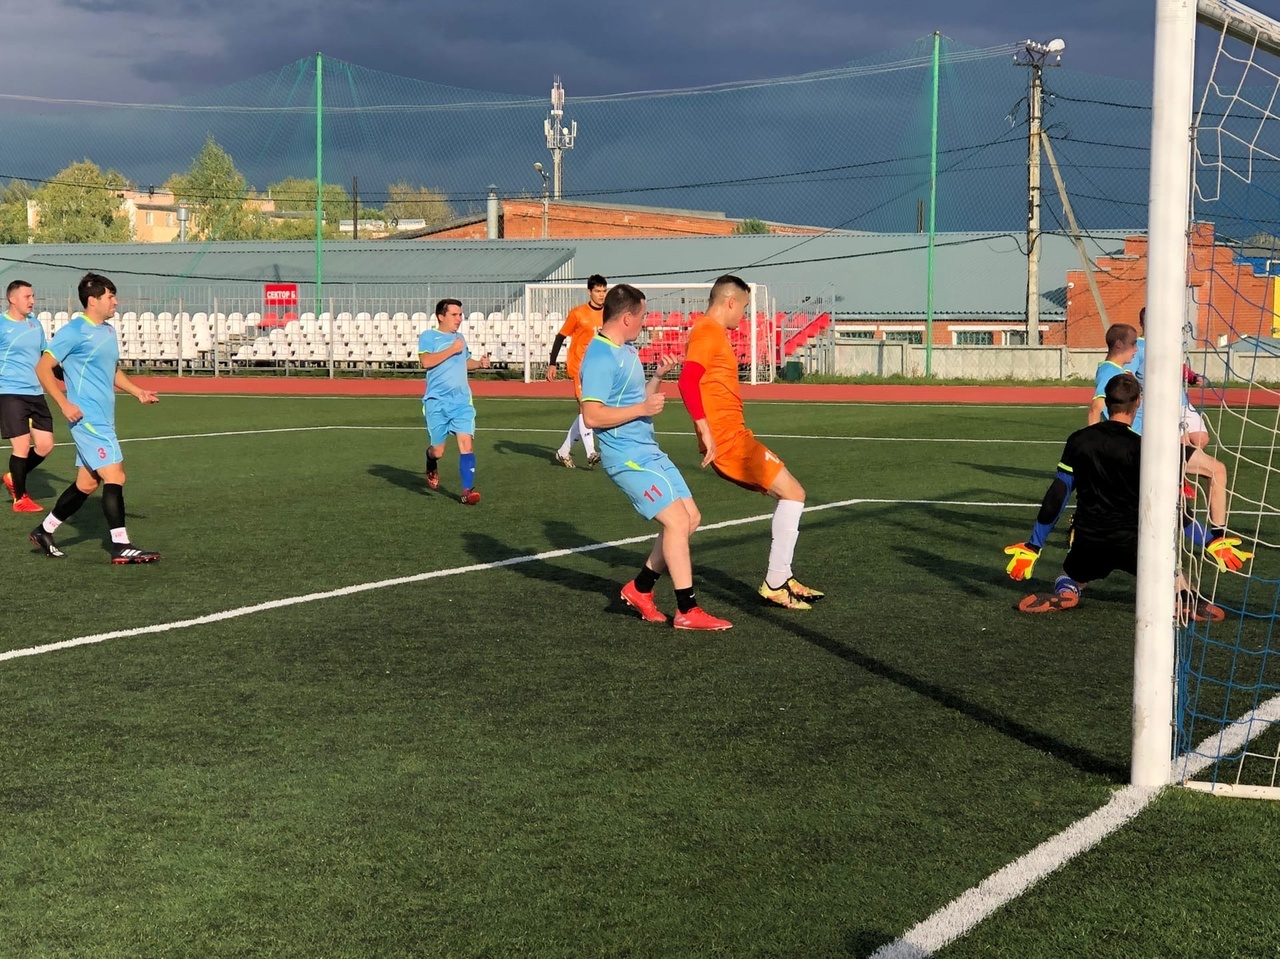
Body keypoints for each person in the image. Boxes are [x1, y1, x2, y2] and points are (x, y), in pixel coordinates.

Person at [1003, 373, 1246, 618]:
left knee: (1070, 575)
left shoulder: (1078, 440)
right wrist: (1211, 540)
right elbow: (1171, 505)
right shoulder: (1146, 447)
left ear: (1106, 403)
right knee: (1175, 575)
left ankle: (1068, 591)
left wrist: (1033, 545)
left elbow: (1058, 494)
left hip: (1090, 541)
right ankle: (1181, 596)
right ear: (1138, 402)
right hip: (1136, 544)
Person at [579, 282, 731, 631]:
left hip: (646, 449)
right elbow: (592, 416)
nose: (645, 322)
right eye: (642, 316)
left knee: (690, 518)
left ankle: (640, 588)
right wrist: (642, 408)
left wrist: (658, 378)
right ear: (627, 318)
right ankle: (687, 609)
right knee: (676, 522)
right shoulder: (600, 356)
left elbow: (636, 399)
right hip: (625, 456)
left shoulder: (627, 350)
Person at [677, 274, 823, 610]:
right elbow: (687, 382)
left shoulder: (712, 332)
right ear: (730, 302)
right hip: (729, 443)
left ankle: (782, 576)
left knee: (791, 494)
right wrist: (705, 430)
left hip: (735, 437)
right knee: (794, 493)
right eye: (743, 308)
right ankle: (775, 582)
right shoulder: (707, 331)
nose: (743, 315)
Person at [29, 272, 160, 563]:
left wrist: (137, 392)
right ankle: (121, 545)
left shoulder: (108, 331)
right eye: (110, 297)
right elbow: (42, 368)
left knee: (87, 484)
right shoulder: (74, 331)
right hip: (86, 418)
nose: (116, 302)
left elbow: (111, 370)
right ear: (92, 300)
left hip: (104, 416)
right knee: (116, 476)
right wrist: (64, 403)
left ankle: (44, 530)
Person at [1090, 323, 1244, 571]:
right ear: (1120, 345)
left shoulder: (1119, 371)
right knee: (1171, 508)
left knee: (1210, 475)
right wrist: (1096, 445)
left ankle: (1216, 538)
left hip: (1156, 443)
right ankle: (1212, 543)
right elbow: (1095, 409)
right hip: (1143, 449)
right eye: (1133, 344)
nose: (1136, 349)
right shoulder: (1109, 372)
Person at [419, 298, 489, 505]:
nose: (459, 318)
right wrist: (452, 349)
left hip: (461, 402)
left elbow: (465, 361)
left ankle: (467, 491)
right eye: (454, 315)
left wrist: (479, 364)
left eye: (460, 315)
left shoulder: (460, 339)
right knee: (438, 451)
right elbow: (425, 362)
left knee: (466, 445)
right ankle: (430, 461)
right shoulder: (429, 336)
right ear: (441, 316)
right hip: (436, 402)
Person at [0, 280, 54, 513]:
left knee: (45, 445)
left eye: (33, 296)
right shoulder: (1, 324)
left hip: (35, 392)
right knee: (21, 447)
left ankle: (14, 477)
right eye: (27, 296)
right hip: (9, 392)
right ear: (12, 299)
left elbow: (44, 355)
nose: (32, 300)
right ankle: (20, 499)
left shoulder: (35, 323)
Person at [1125, 306, 1211, 449]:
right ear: (1142, 323)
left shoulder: (1169, 344)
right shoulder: (1137, 347)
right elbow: (1128, 374)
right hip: (1153, 404)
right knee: (1175, 442)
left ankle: (1179, 461)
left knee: (1201, 439)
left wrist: (1192, 377)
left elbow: (1179, 366)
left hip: (1180, 401)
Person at [546, 274, 607, 468]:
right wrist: (552, 363)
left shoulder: (609, 313)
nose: (601, 295)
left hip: (599, 368)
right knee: (586, 408)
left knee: (590, 410)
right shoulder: (578, 313)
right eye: (597, 291)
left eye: (604, 291)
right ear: (589, 292)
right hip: (580, 368)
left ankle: (564, 451)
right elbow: (560, 336)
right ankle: (591, 452)